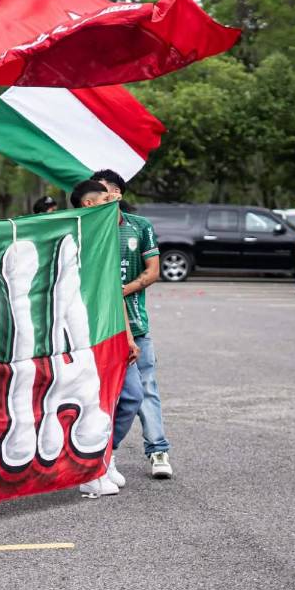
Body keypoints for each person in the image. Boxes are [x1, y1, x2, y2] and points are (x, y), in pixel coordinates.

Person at [90, 170, 173, 480]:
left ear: (117, 195)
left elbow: (153, 272)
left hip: (135, 324)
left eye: (104, 191)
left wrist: (119, 291)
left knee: (144, 388)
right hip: (97, 330)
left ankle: (158, 449)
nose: (99, 197)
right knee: (108, 394)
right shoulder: (87, 228)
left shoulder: (139, 227)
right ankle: (97, 456)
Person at [70, 179, 144, 497]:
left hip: (110, 332)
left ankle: (104, 457)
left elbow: (113, 290)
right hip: (81, 336)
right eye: (105, 197)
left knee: (129, 397)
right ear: (89, 205)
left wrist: (127, 335)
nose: (113, 200)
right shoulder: (74, 237)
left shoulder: (105, 239)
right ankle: (87, 470)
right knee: (88, 404)